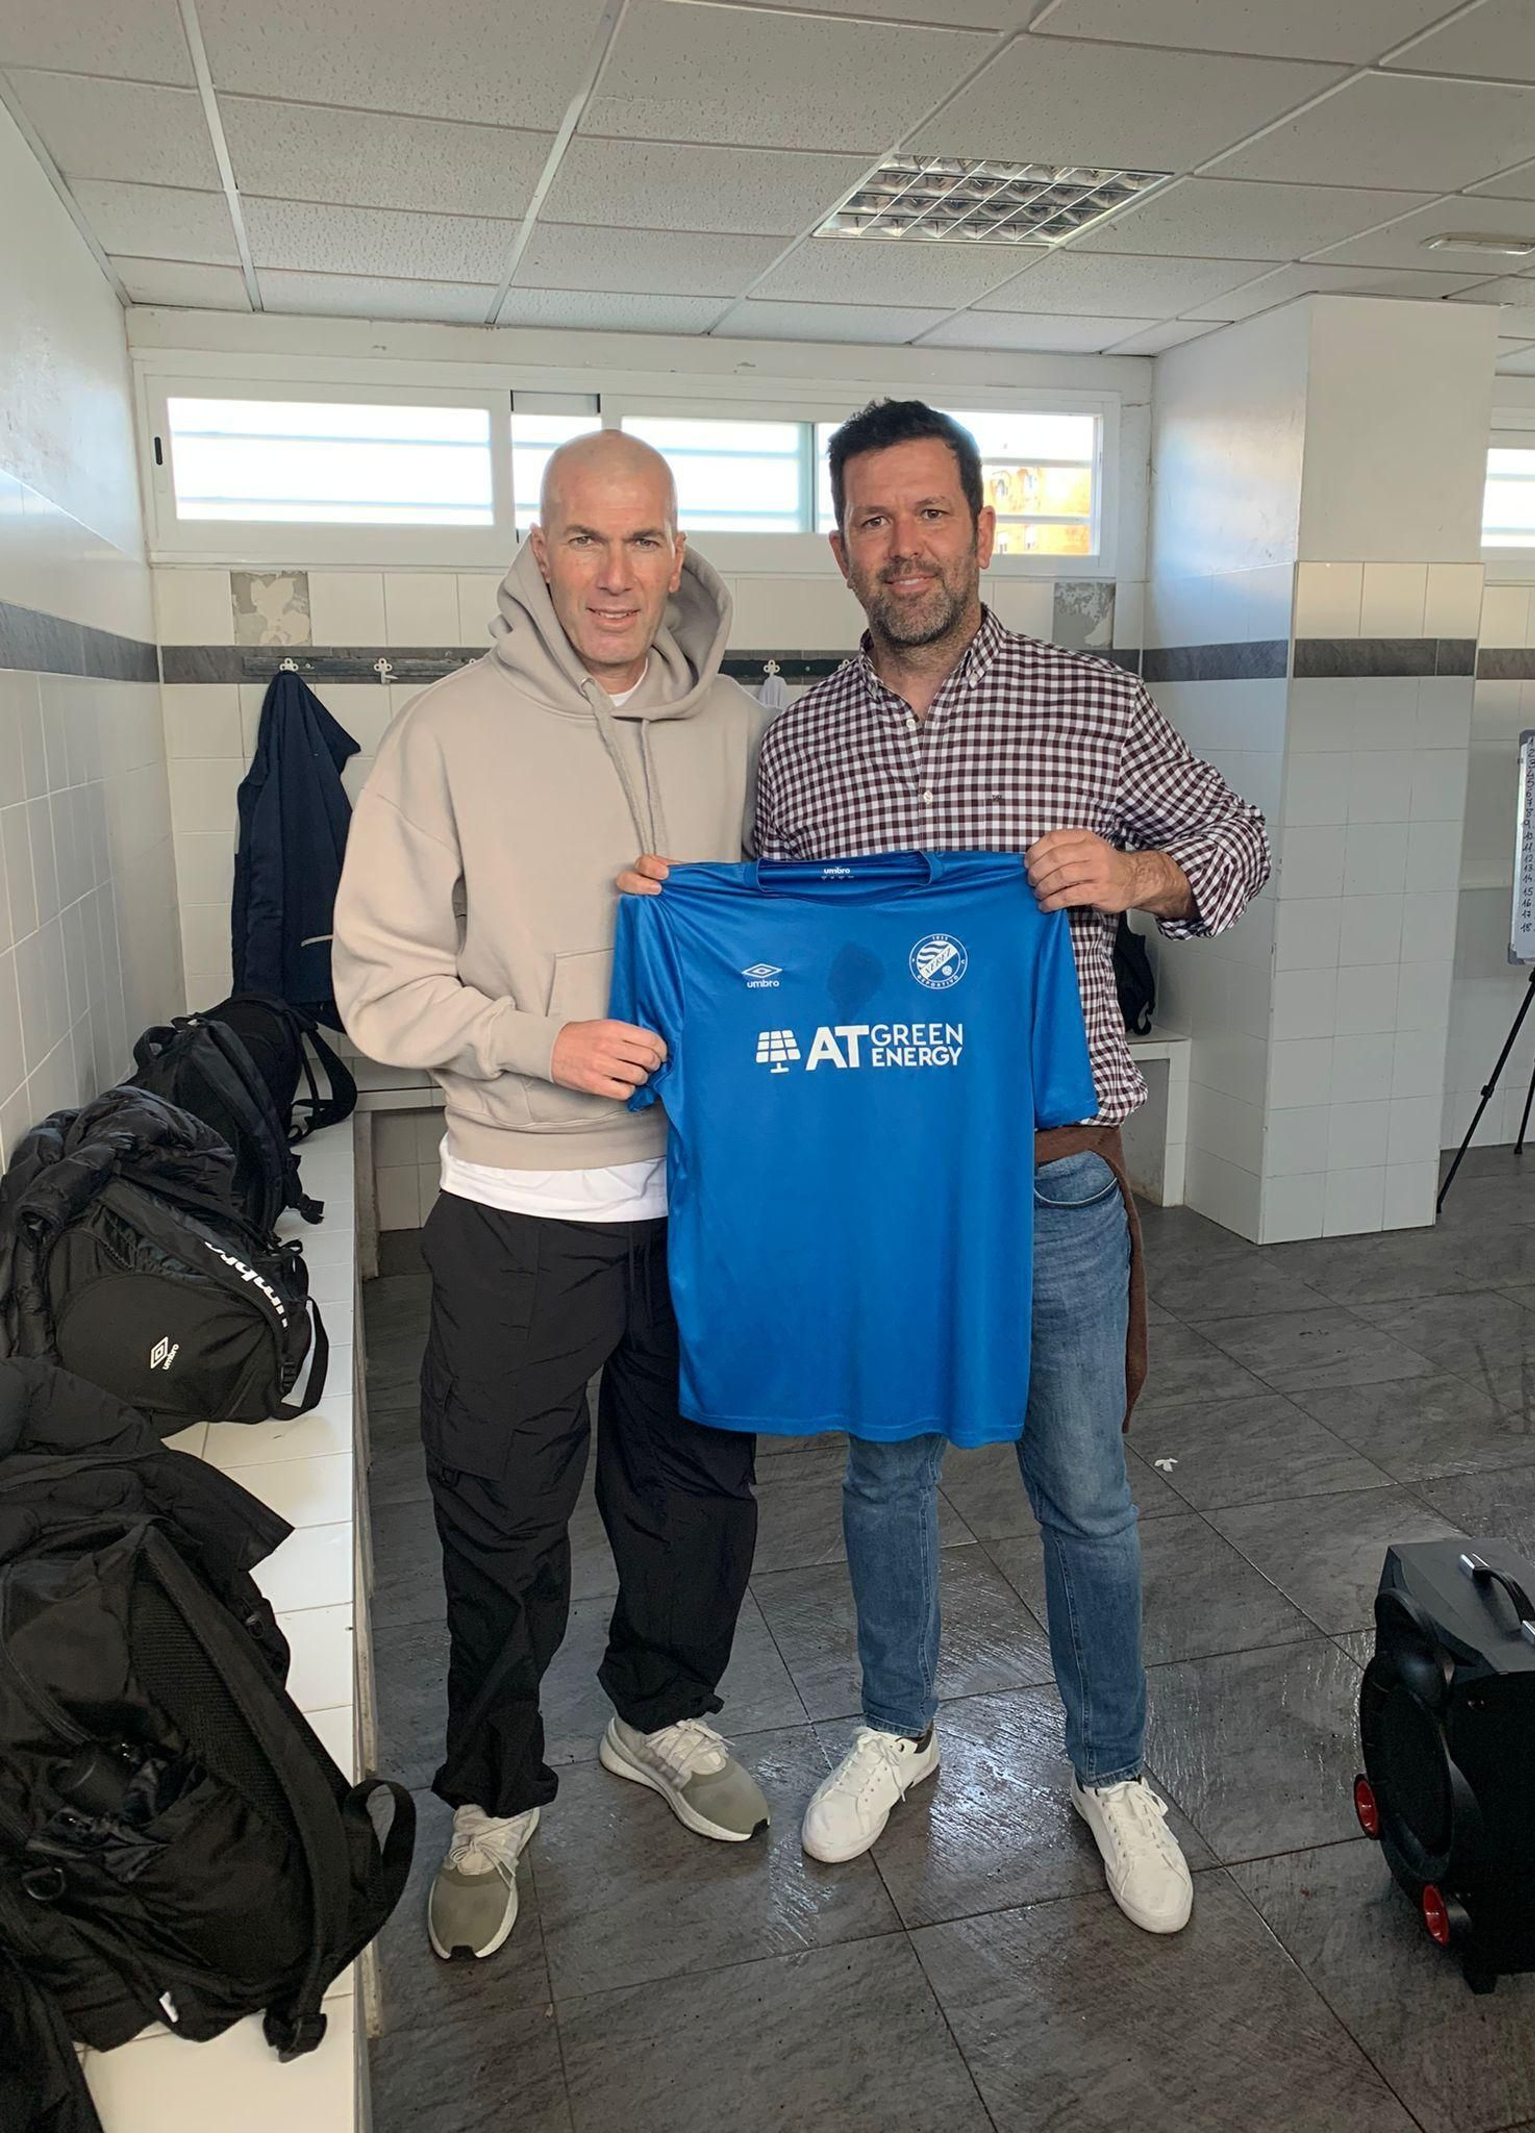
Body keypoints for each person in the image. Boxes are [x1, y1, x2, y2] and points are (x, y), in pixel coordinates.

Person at [621, 398, 1270, 1937]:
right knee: (886, 1471)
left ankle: (1109, 1765)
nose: (902, 547)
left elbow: (1240, 849)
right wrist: (680, 909)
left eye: (929, 515)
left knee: (1085, 1491)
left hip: (1053, 1176)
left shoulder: (1093, 708)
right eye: (870, 520)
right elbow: (777, 947)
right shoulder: (799, 742)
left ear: (983, 527)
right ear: (838, 545)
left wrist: (1130, 872)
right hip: (881, 1179)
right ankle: (895, 1729)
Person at [333, 432, 770, 1965]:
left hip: (705, 1197)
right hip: (522, 1193)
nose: (615, 573)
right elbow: (377, 981)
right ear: (536, 545)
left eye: (644, 541)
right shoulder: (447, 729)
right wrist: (539, 1037)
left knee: (696, 1489)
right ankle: (498, 1791)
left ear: (678, 548)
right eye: (585, 540)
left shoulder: (741, 726)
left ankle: (665, 1711)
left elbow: (773, 939)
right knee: (501, 1511)